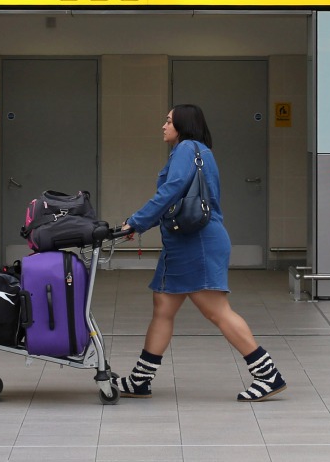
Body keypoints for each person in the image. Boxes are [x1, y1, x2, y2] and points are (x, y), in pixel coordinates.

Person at [117, 104, 287, 402]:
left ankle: (268, 374)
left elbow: (171, 190)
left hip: (198, 243)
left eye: (168, 120)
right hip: (185, 242)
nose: (163, 126)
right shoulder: (199, 152)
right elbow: (179, 200)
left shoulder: (187, 148)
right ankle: (140, 380)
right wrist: (141, 225)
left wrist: (137, 220)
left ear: (182, 125)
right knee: (163, 308)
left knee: (216, 310)